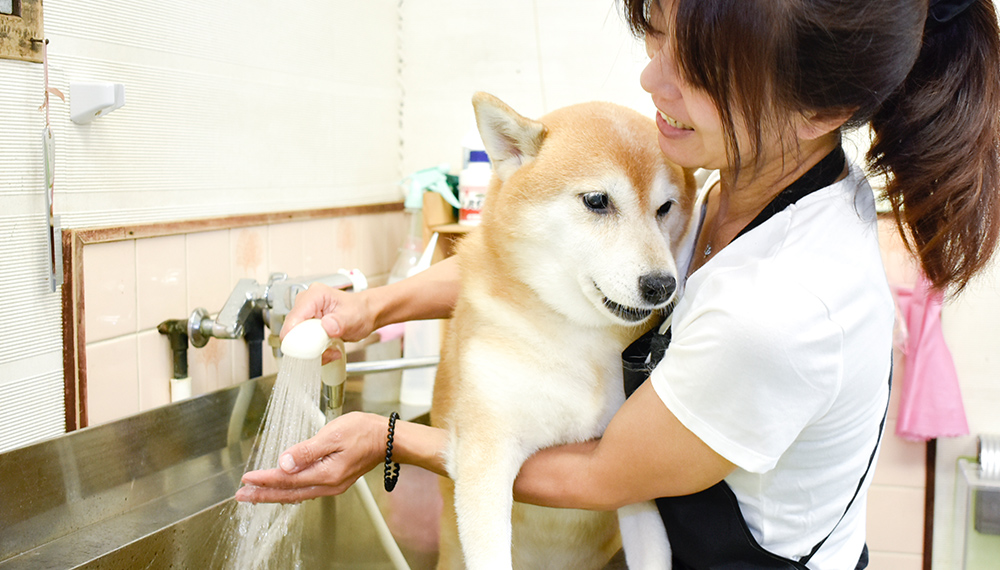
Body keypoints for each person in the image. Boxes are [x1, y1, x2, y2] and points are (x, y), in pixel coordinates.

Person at [236, 0, 1000, 568]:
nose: (650, 78)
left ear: (816, 111)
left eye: (693, 66)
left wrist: (391, 439)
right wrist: (370, 307)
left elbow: (598, 474)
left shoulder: (783, 306)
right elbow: (530, 268)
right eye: (657, 37)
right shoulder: (724, 189)